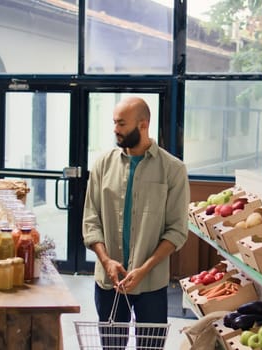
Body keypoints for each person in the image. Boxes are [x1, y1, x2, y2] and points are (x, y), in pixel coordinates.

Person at [82, 97, 190, 348]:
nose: (115, 129)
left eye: (121, 123)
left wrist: (144, 269)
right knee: (112, 346)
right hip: (109, 283)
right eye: (114, 123)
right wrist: (107, 261)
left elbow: (177, 231)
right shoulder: (102, 165)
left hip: (151, 284)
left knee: (151, 347)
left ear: (143, 125)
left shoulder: (173, 169)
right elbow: (90, 220)